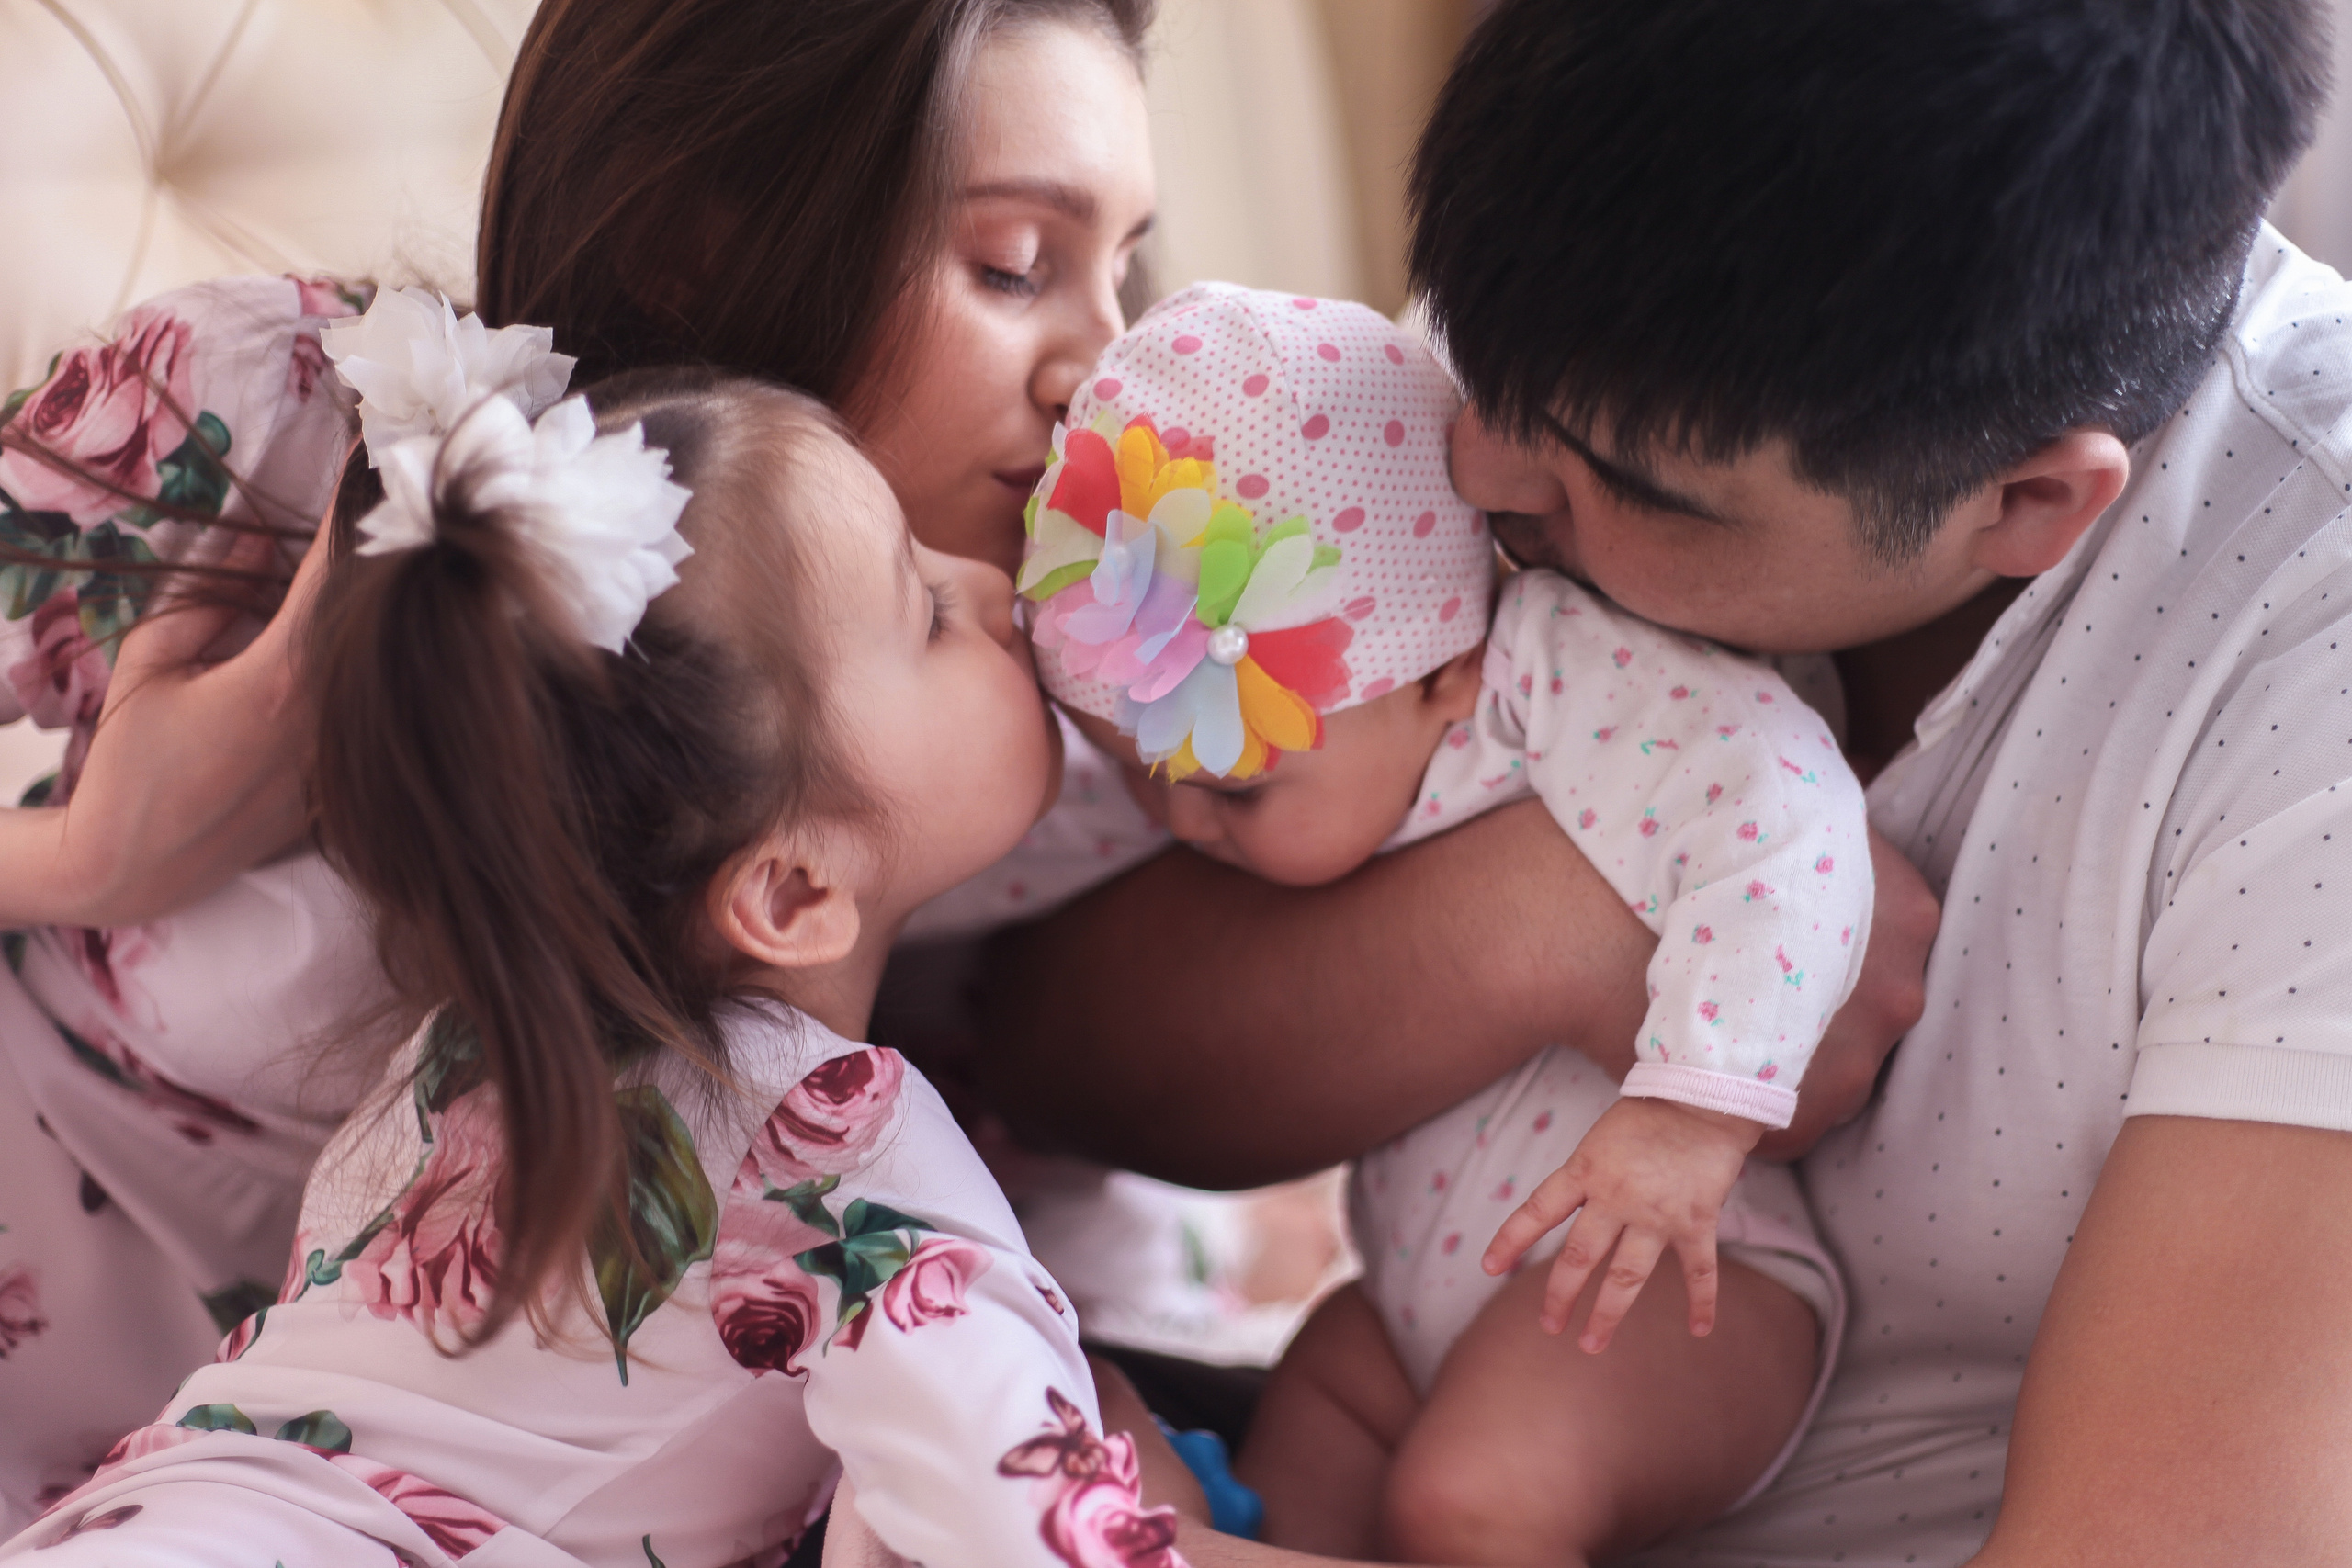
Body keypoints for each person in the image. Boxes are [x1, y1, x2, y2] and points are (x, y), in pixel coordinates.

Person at [988, 0, 2352, 1562]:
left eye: (1608, 477)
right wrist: (1552, 929)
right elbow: (1034, 1042)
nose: (1481, 475)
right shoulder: (1585, 319)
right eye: (1473, 349)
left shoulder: (2308, 649)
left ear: (2032, 499)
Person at [0, 0, 1164, 1526]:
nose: (1110, 360)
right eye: (1016, 266)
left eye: (1126, 268)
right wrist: (86, 860)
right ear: (699, 230)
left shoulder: (1025, 697)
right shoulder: (289, 422)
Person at [1017, 280, 1874, 1562]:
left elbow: (1787, 812)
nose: (1182, 826)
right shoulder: (1336, 742)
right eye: (1146, 776)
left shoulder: (1550, 682)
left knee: (1468, 1502)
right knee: (1312, 1428)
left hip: (1674, 1268)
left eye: (1231, 789)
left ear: (1443, 669)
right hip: (1420, 1309)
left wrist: (1693, 1118)